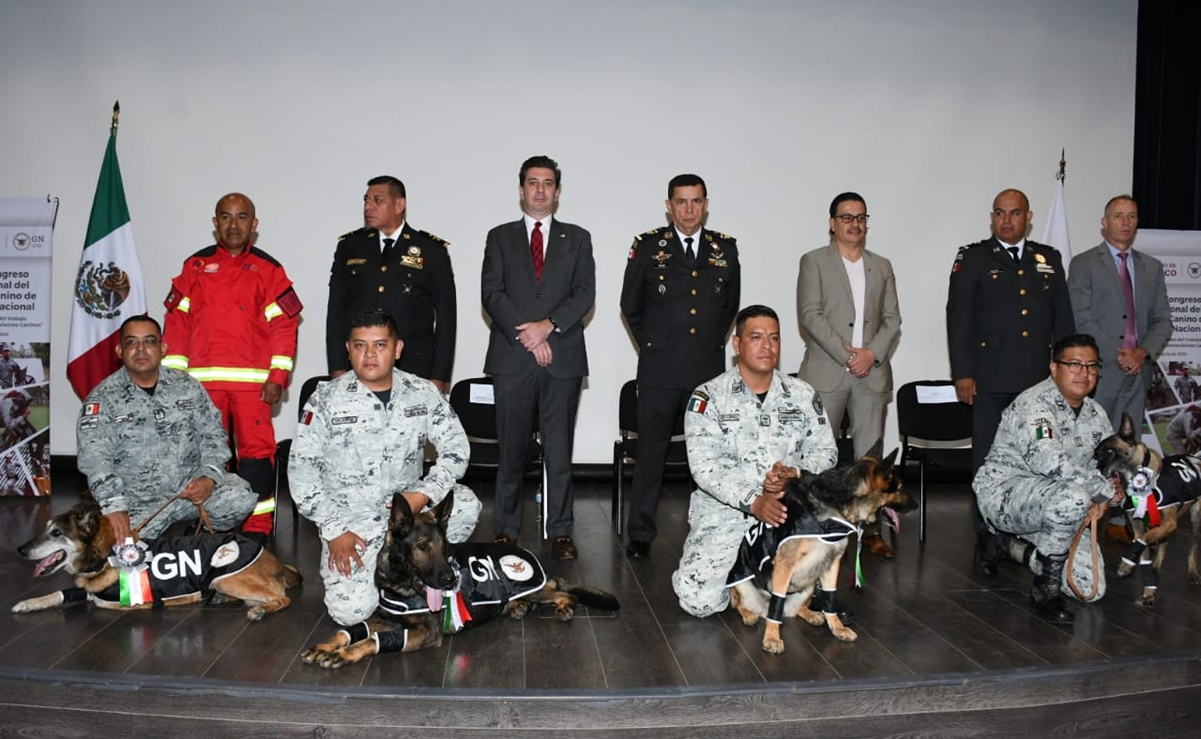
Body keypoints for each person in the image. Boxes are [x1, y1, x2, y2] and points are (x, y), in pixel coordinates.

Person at [289, 309, 481, 627]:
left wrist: (424, 493)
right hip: (352, 526)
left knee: (466, 504)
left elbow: (457, 451)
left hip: (409, 518)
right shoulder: (325, 400)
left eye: (380, 344)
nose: (370, 354)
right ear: (348, 349)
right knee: (350, 614)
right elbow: (301, 472)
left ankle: (424, 569)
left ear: (398, 349)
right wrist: (334, 530)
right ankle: (387, 582)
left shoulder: (422, 393)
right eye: (360, 345)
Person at [672, 305, 839, 617]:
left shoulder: (802, 394)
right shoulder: (709, 397)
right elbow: (705, 468)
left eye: (774, 338)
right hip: (728, 512)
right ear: (737, 345)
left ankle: (756, 580)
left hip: (787, 510)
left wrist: (796, 474)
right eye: (757, 337)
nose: (767, 346)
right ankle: (731, 572)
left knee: (812, 592)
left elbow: (826, 452)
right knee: (700, 603)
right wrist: (753, 500)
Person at [946, 188, 1075, 575]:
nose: (1007, 220)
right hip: (989, 378)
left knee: (1037, 461)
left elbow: (1063, 319)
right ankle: (987, 540)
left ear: (1028, 217)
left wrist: (1067, 372)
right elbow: (959, 318)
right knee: (988, 463)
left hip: (1037, 382)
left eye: (1015, 213)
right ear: (992, 217)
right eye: (1000, 213)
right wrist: (964, 373)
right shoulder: (973, 258)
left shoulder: (1048, 259)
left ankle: (1032, 535)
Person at [162, 193, 302, 539]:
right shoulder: (194, 267)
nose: (233, 224)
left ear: (254, 225)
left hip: (252, 386)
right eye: (226, 217)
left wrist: (278, 376)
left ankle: (256, 524)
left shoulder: (269, 269)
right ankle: (209, 520)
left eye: (242, 217)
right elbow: (176, 323)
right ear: (215, 223)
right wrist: (174, 381)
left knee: (256, 457)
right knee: (206, 457)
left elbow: (284, 325)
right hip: (201, 388)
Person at [619, 173, 741, 559]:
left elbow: (730, 306)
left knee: (706, 455)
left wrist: (707, 344)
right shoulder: (648, 246)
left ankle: (709, 526)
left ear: (706, 205)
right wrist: (655, 346)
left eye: (696, 201)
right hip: (659, 370)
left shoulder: (725, 249)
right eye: (682, 202)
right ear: (669, 205)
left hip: (706, 371)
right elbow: (630, 305)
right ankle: (640, 532)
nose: (689, 209)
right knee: (650, 454)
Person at [481, 155, 596, 560]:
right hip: (513, 358)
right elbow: (492, 294)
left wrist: (547, 326)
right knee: (510, 450)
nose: (541, 190)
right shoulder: (499, 237)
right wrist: (530, 335)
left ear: (558, 192)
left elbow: (584, 294)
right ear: (521, 190)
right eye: (533, 182)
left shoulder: (578, 238)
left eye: (548, 183)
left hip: (562, 357)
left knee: (559, 451)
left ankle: (560, 530)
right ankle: (506, 531)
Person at [973, 334, 1120, 624]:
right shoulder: (1034, 404)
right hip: (1006, 494)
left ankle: (1006, 546)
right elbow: (1050, 462)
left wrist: (1114, 490)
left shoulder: (1096, 414)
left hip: (1059, 507)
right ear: (1054, 368)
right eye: (1074, 364)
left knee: (1090, 590)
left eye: (1092, 366)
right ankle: (1045, 592)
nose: (1084, 373)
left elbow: (1107, 465)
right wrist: (1099, 492)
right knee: (1074, 496)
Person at [76, 316, 257, 543]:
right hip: (136, 501)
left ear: (162, 349)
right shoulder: (103, 398)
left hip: (189, 492)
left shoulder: (187, 387)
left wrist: (208, 478)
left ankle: (198, 538)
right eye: (132, 342)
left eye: (149, 341)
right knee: (116, 551)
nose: (141, 349)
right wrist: (114, 505)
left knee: (240, 497)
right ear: (119, 350)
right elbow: (95, 458)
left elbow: (213, 436)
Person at [797, 192, 902, 558]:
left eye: (860, 217)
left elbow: (892, 320)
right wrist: (848, 355)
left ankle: (871, 531)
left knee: (872, 463)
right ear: (832, 223)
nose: (854, 224)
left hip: (871, 375)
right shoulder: (814, 262)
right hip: (828, 372)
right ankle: (813, 530)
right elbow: (811, 316)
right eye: (846, 217)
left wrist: (870, 354)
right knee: (819, 458)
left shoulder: (882, 265)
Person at [326, 176, 457, 392]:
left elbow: (446, 319)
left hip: (414, 365)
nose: (368, 207)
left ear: (399, 205)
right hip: (360, 365)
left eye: (377, 201)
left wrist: (439, 376)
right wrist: (338, 367)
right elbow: (336, 312)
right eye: (366, 200)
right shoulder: (350, 247)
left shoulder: (431, 250)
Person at [1068, 195, 1172, 430]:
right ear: (1104, 222)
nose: (1126, 222)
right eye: (1119, 216)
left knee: (1129, 450)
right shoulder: (1084, 263)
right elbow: (1080, 317)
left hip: (1139, 371)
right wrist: (1119, 356)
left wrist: (1141, 353)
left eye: (1132, 216)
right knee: (1093, 444)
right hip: (1099, 371)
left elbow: (1163, 320)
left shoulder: (1152, 267)